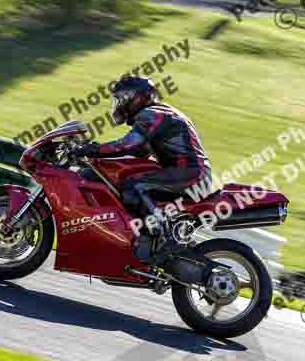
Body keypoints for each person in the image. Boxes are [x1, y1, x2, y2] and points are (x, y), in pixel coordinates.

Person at [75, 75, 213, 262]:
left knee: (135, 186)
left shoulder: (152, 114)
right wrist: (96, 158)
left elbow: (128, 144)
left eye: (121, 99)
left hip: (191, 173)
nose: (118, 105)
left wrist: (95, 149)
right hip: (187, 173)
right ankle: (149, 238)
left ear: (136, 98)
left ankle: (164, 240)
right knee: (128, 180)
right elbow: (138, 152)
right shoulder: (157, 114)